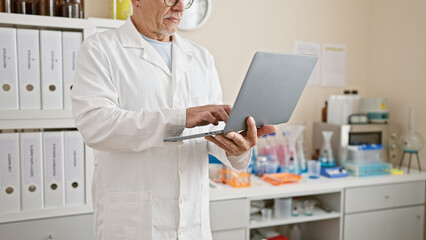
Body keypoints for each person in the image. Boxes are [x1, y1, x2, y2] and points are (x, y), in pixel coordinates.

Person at [71, 0, 276, 239]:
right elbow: (96, 126)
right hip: (133, 224)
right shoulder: (100, 49)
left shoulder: (201, 58)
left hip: (192, 224)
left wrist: (237, 147)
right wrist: (181, 118)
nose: (180, 7)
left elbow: (212, 135)